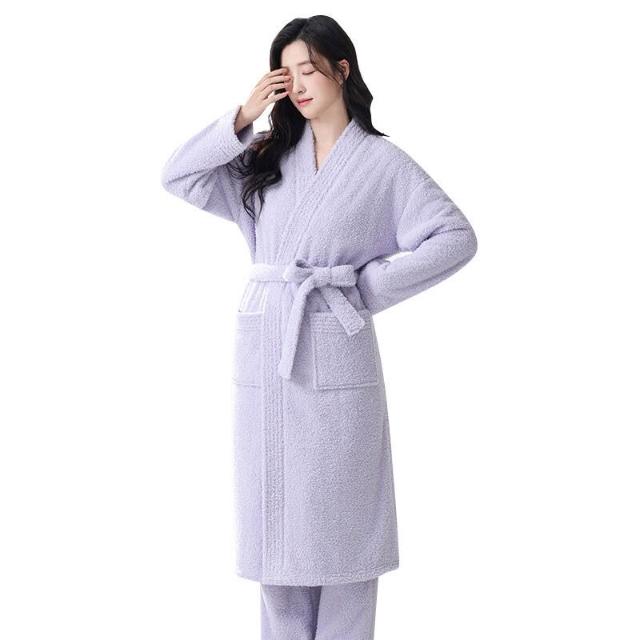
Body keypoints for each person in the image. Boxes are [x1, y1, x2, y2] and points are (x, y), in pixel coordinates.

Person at [161, 14, 478, 640]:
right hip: (267, 348)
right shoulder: (266, 157)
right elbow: (179, 176)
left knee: (343, 534)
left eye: (309, 69)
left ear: (342, 69)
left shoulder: (382, 164)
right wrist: (243, 115)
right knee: (277, 536)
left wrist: (363, 289)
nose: (299, 85)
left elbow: (455, 237)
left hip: (335, 345)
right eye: (286, 74)